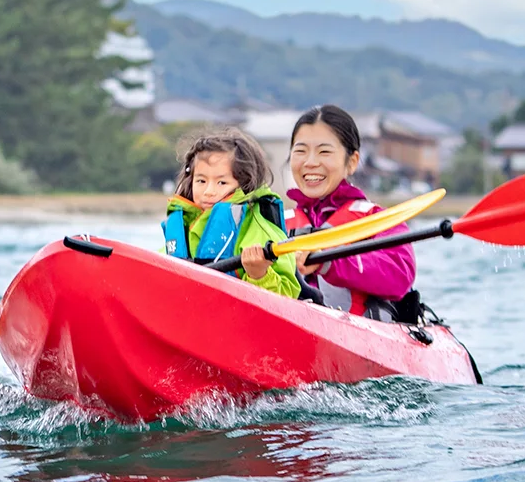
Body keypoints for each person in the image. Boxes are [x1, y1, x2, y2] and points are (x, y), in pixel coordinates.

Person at [282, 104, 415, 321]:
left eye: (324, 152)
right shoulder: (274, 222)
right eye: (300, 151)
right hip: (291, 327)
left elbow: (400, 275)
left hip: (360, 333)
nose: (310, 162)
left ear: (352, 162)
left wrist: (328, 262)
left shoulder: (378, 220)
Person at [161, 127, 301, 300]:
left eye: (222, 182)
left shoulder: (259, 228)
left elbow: (288, 295)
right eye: (201, 181)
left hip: (238, 313)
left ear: (244, 183)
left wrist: (259, 275)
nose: (209, 191)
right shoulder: (183, 224)